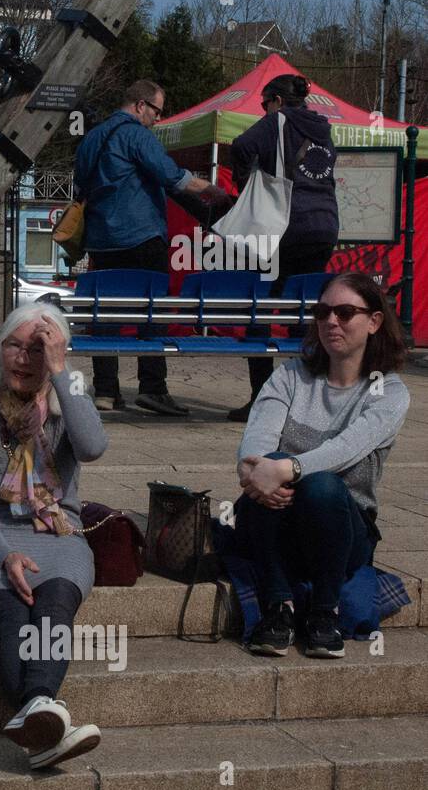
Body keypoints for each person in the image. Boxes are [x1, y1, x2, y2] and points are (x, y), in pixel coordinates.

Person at [0, 303, 107, 769]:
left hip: (60, 533)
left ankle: (38, 711)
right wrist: (6, 555)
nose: (22, 359)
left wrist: (61, 372)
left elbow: (93, 447)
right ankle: (46, 716)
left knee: (55, 604)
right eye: (13, 346)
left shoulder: (70, 400)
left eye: (36, 350)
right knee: (13, 615)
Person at [234, 273, 409, 659]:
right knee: (271, 462)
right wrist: (254, 470)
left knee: (322, 485)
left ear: (374, 322)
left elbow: (347, 448)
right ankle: (278, 607)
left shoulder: (388, 391)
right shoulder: (290, 376)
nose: (332, 321)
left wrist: (286, 470)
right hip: (276, 521)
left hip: (344, 531)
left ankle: (325, 612)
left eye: (346, 313)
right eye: (323, 312)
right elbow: (256, 443)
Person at [74, 80, 229, 415]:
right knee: (152, 312)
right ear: (140, 105)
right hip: (141, 236)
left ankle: (105, 391)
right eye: (157, 111)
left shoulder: (91, 138)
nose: (158, 119)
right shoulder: (137, 135)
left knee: (104, 315)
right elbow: (172, 176)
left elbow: (80, 185)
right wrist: (211, 190)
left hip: (101, 240)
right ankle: (153, 388)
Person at [227, 74, 340, 421]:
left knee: (258, 310)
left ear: (276, 101)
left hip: (285, 226)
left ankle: (262, 401)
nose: (264, 110)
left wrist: (249, 183)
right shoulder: (323, 128)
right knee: (304, 313)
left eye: (264, 103)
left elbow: (240, 147)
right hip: (325, 225)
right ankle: (303, 402)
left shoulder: (277, 121)